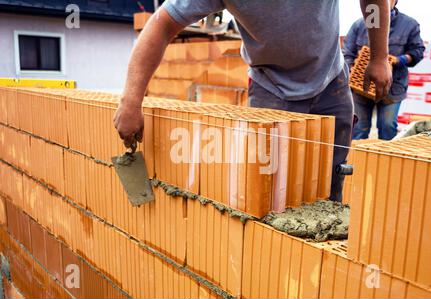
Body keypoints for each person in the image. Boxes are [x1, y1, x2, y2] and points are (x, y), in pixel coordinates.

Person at [114, 0, 393, 203]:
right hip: (271, 88)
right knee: (272, 191)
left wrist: (379, 56)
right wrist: (131, 101)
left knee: (332, 176)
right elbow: (162, 24)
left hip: (331, 80)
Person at [344, 0, 425, 141]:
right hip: (361, 86)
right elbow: (347, 53)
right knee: (358, 128)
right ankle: (356, 160)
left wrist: (399, 60)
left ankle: (385, 160)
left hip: (393, 89)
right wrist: (354, 68)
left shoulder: (410, 25)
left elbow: (417, 52)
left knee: (387, 127)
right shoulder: (358, 25)